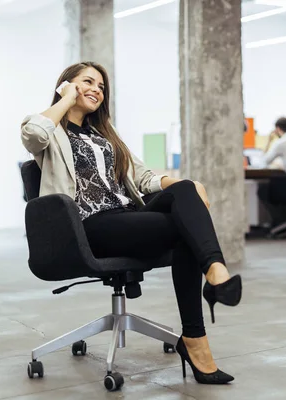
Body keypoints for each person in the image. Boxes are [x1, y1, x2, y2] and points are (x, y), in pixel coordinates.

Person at [20, 61, 241, 385]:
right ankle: (198, 334)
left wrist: (185, 185)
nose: (97, 89)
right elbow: (33, 135)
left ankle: (211, 284)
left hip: (127, 215)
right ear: (66, 85)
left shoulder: (105, 135)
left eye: (101, 86)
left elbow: (144, 177)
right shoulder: (52, 131)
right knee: (184, 234)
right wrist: (65, 100)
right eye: (88, 82)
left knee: (183, 189)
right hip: (90, 225)